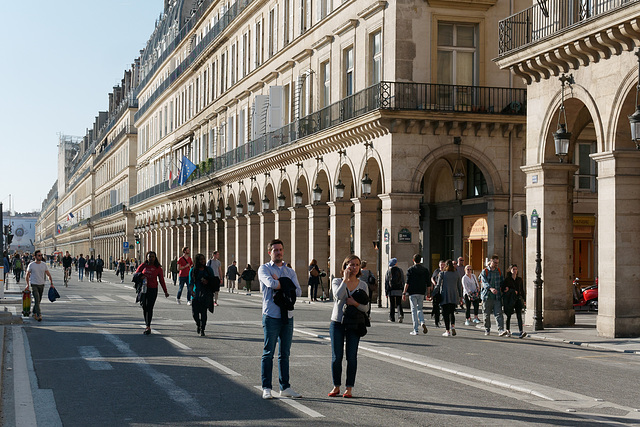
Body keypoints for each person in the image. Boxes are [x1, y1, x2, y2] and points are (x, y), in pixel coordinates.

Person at [258, 239, 302, 400]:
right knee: (268, 352)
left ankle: (285, 387)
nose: (278, 252)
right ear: (269, 252)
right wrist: (284, 283)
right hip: (271, 315)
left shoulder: (290, 271)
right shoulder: (264, 268)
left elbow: (298, 291)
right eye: (275, 250)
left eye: (280, 249)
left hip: (288, 316)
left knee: (285, 353)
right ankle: (267, 387)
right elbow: (270, 283)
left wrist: (280, 281)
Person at [328, 254, 369, 398]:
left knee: (351, 356)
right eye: (350, 264)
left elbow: (366, 308)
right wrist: (345, 280)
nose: (354, 267)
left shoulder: (363, 285)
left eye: (357, 265)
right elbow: (337, 297)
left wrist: (355, 303)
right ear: (345, 266)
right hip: (337, 322)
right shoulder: (337, 281)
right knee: (336, 356)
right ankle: (336, 386)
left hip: (354, 324)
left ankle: (349, 388)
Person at [135, 251, 169, 335]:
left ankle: (148, 326)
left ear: (155, 258)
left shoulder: (158, 268)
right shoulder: (143, 265)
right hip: (143, 289)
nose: (151, 258)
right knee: (144, 306)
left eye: (153, 257)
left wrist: (165, 291)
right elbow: (136, 274)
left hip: (153, 289)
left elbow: (161, 280)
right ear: (147, 257)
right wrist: (141, 276)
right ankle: (147, 323)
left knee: (150, 307)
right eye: (149, 257)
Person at [189, 253, 217, 336]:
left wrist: (208, 282)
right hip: (196, 294)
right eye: (200, 259)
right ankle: (198, 324)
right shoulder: (193, 270)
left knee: (204, 313)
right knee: (195, 314)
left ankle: (202, 328)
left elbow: (214, 280)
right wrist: (191, 291)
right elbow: (191, 282)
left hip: (206, 294)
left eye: (203, 259)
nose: (202, 261)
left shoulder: (208, 270)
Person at [480, 254, 508, 337]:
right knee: (486, 315)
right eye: (495, 262)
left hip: (497, 297)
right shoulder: (485, 271)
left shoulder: (499, 271)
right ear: (491, 261)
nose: (496, 264)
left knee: (499, 314)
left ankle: (501, 330)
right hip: (487, 296)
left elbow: (502, 281)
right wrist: (491, 288)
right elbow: (484, 282)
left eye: (497, 263)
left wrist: (504, 287)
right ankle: (487, 329)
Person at [403, 254, 430, 335]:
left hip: (412, 292)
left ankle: (416, 329)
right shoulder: (425, 270)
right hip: (421, 291)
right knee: (420, 308)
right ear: (420, 260)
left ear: (413, 260)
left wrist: (404, 292)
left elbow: (407, 283)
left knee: (413, 310)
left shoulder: (410, 270)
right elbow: (428, 283)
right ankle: (422, 322)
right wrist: (428, 293)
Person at [24, 250, 54, 321]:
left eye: (41, 255)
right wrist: (27, 284)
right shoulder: (31, 265)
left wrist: (51, 283)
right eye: (39, 255)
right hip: (34, 284)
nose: (40, 257)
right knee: (37, 299)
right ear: (35, 256)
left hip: (41, 284)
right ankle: (39, 314)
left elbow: (48, 274)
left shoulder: (44, 264)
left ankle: (34, 312)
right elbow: (27, 275)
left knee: (39, 300)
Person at [437, 260, 463, 337]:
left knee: (445, 313)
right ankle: (453, 326)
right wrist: (461, 297)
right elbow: (459, 286)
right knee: (452, 312)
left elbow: (438, 285)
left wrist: (433, 294)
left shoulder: (442, 273)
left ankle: (447, 331)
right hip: (454, 295)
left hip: (445, 295)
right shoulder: (456, 273)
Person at [502, 264, 527, 338]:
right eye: (513, 269)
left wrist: (524, 299)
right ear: (510, 270)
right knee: (509, 315)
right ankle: (508, 330)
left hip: (518, 299)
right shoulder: (507, 279)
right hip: (510, 299)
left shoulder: (519, 279)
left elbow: (522, 290)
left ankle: (521, 331)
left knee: (519, 315)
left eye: (516, 269)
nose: (515, 271)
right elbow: (503, 289)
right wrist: (509, 290)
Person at [385, 258, 404, 323]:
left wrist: (386, 292)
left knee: (392, 304)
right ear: (396, 263)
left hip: (391, 290)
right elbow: (403, 280)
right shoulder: (400, 270)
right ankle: (400, 315)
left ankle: (392, 318)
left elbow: (386, 282)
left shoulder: (388, 271)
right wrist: (403, 289)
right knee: (399, 303)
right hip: (399, 289)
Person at [430, 260, 445, 327]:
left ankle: (444, 318)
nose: (442, 266)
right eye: (441, 264)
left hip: (444, 291)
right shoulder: (436, 271)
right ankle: (437, 321)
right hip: (437, 290)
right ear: (439, 265)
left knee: (443, 306)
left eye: (443, 264)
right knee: (436, 306)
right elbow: (432, 278)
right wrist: (434, 283)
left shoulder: (446, 272)